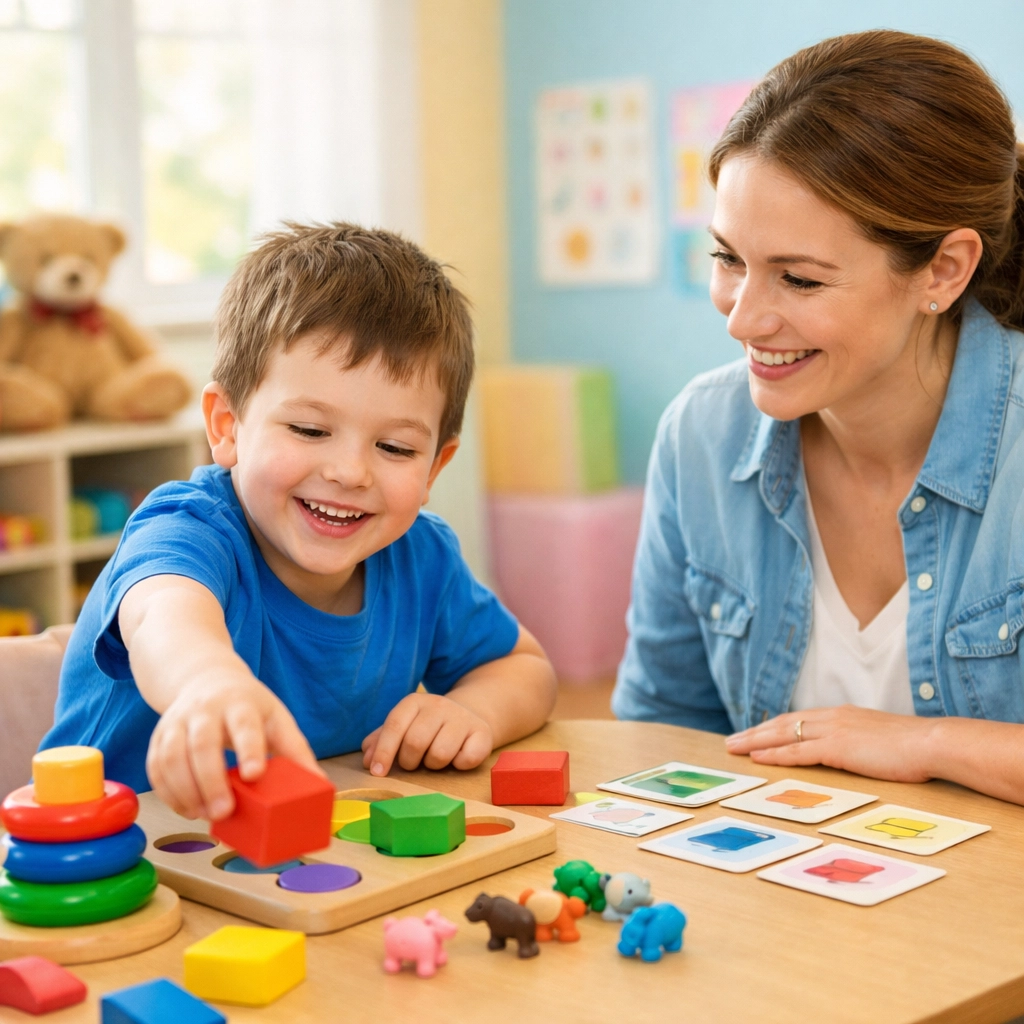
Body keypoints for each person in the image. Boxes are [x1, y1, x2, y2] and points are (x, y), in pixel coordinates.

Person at [612, 30, 1024, 805]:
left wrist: (925, 743)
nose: (742, 319)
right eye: (729, 259)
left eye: (798, 279)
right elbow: (662, 731)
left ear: (943, 270)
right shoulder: (701, 436)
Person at [41, 223, 557, 820]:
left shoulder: (423, 558)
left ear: (435, 467)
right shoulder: (187, 527)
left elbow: (525, 668)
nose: (349, 472)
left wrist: (473, 710)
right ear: (226, 426)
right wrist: (207, 681)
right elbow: (163, 616)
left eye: (395, 447)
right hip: (116, 853)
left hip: (306, 858)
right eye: (310, 430)